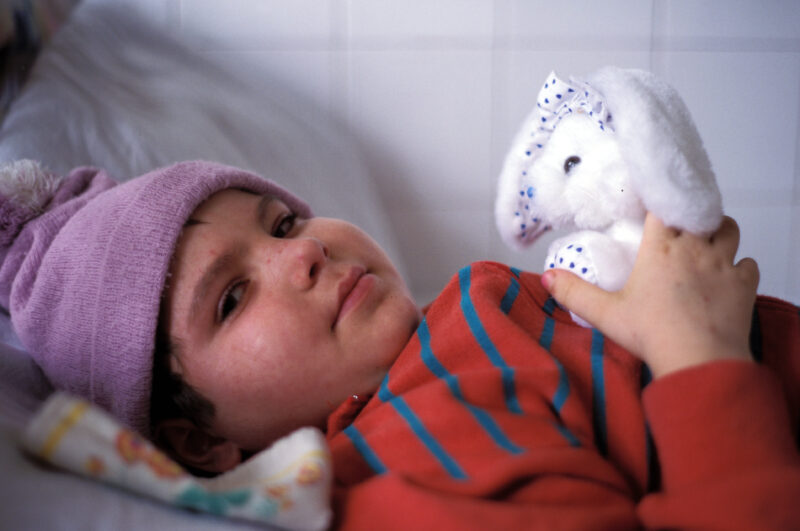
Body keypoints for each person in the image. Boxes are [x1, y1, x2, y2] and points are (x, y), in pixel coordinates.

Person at [1, 160, 798, 529]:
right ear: (199, 441)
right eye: (233, 298)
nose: (303, 250)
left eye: (282, 222)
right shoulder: (406, 461)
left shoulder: (466, 316)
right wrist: (701, 354)